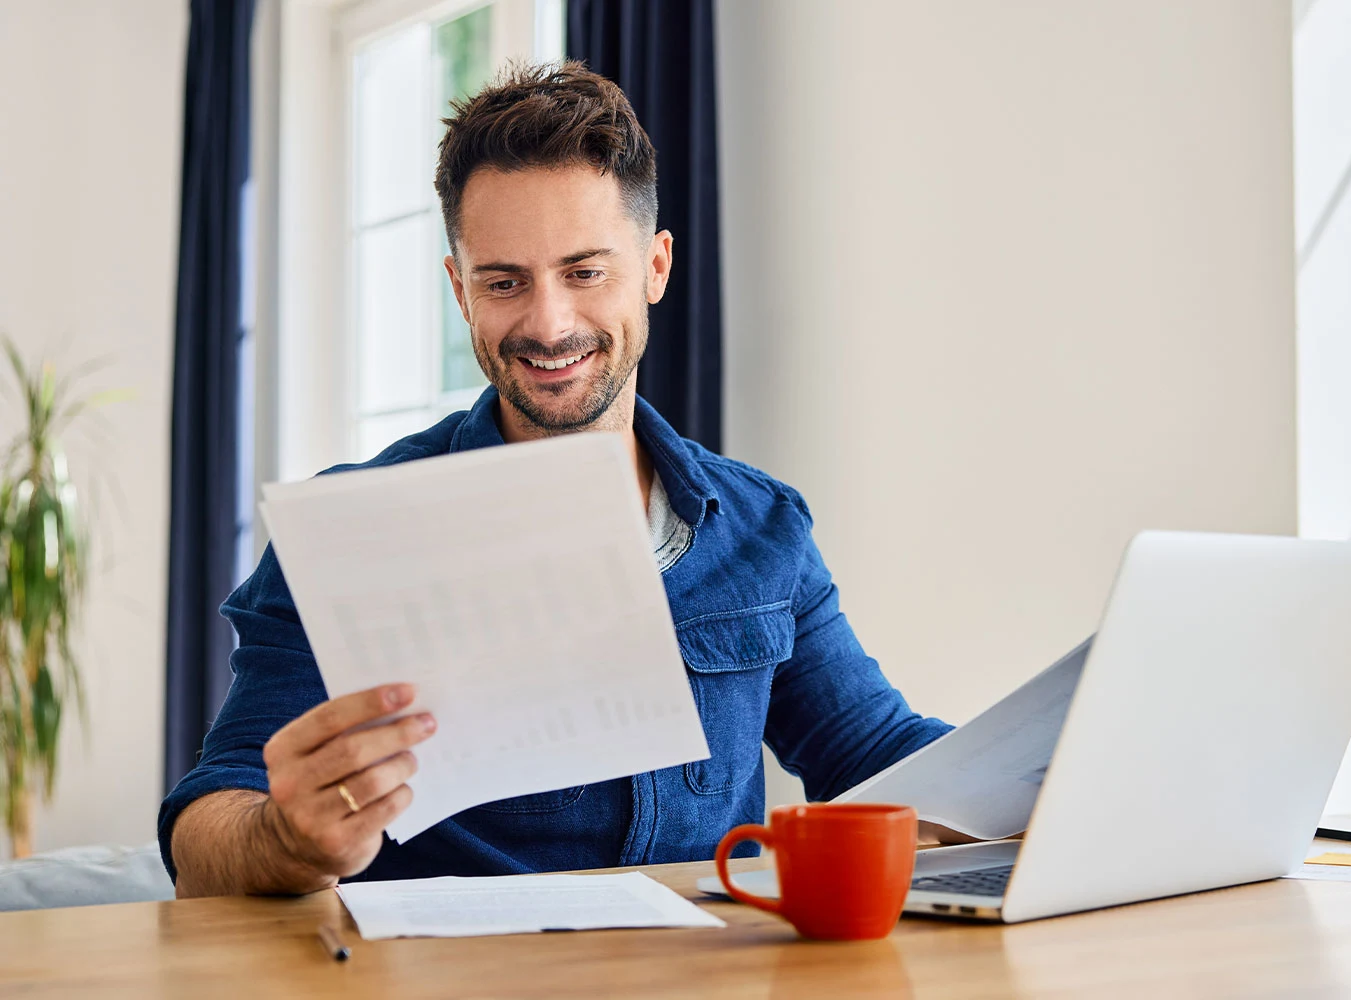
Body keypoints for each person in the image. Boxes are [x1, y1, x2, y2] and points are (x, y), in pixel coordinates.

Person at [161, 61, 952, 897]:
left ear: (655, 267)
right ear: (460, 292)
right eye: (504, 282)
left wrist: (1033, 776)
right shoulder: (352, 533)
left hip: (704, 962)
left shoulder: (761, 526)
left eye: (585, 272)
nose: (548, 323)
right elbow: (206, 835)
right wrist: (286, 839)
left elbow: (876, 756)